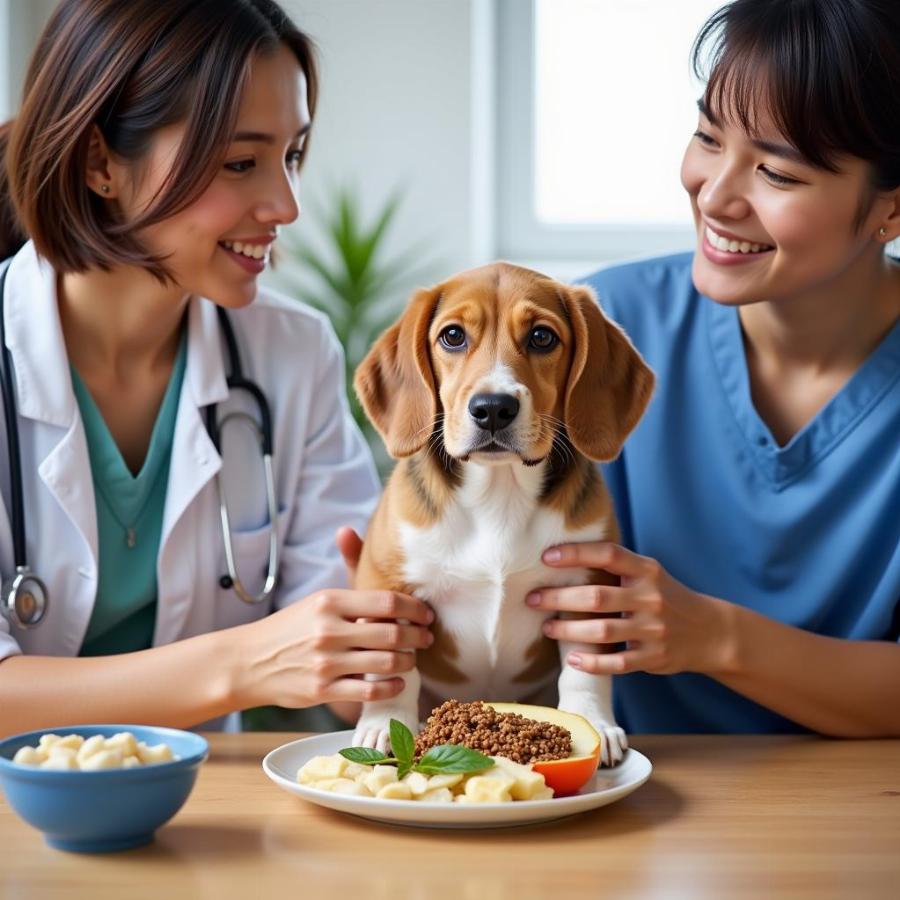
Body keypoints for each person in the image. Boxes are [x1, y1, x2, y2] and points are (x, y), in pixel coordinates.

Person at [0, 0, 433, 738]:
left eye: (291, 156)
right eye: (241, 162)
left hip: (205, 815)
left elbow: (353, 686)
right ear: (100, 162)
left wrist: (396, 630)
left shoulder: (292, 356)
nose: (287, 205)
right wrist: (245, 664)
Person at [525, 0, 900, 735]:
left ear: (890, 209)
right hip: (634, 810)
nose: (716, 194)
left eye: (778, 173)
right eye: (707, 137)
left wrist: (715, 637)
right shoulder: (599, 330)